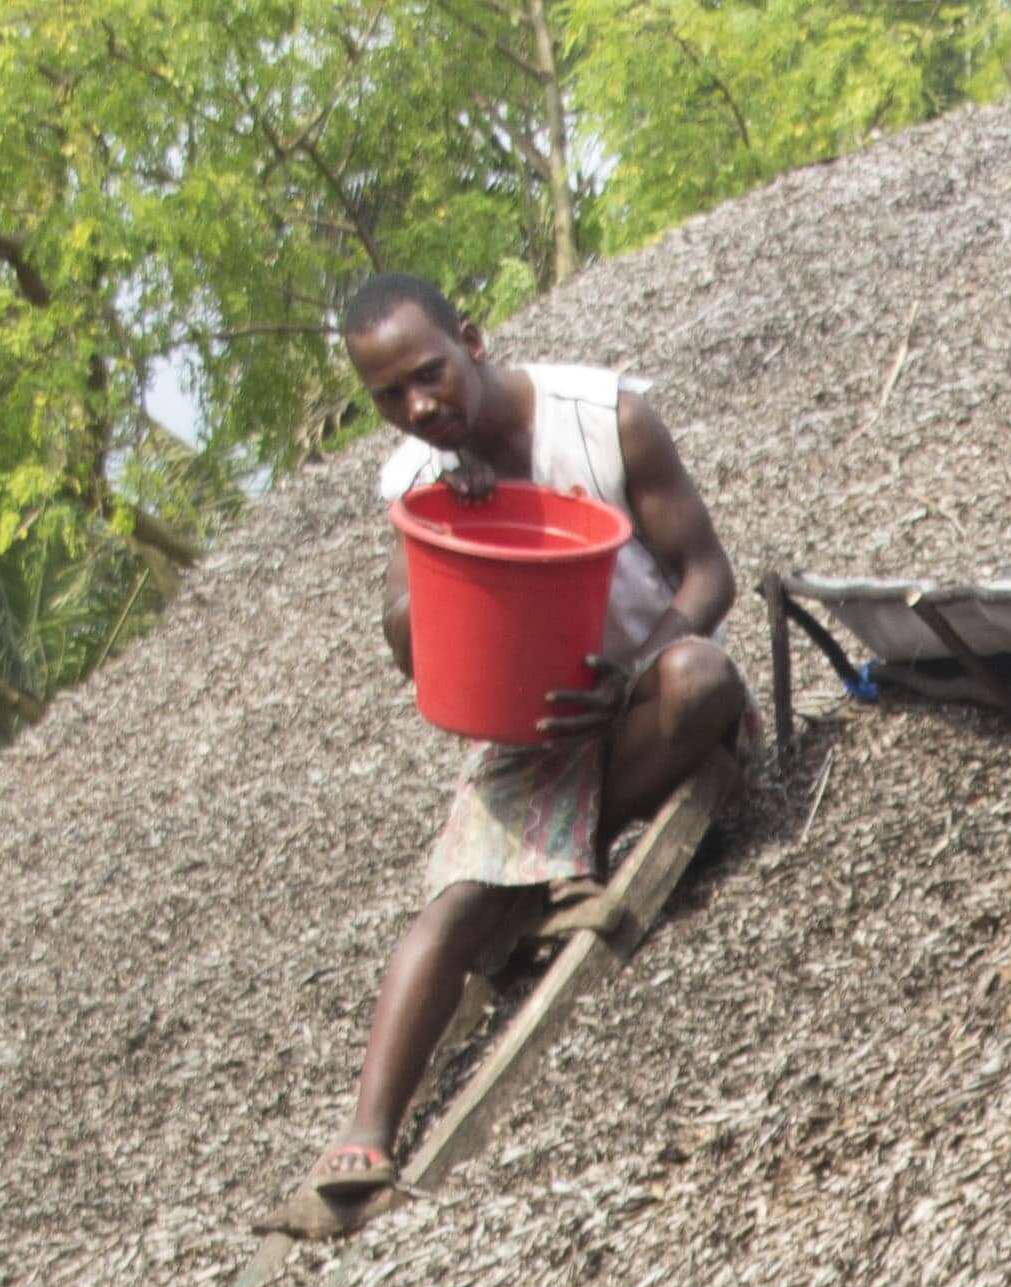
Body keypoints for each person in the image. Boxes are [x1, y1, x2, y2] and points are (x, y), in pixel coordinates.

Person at [313, 269, 749, 1221]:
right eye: (388, 396)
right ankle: (368, 1133)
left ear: (471, 338)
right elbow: (407, 645)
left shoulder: (607, 420)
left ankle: (565, 857)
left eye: (428, 375)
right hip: (531, 737)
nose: (417, 406)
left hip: (641, 697)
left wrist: (629, 672)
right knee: (455, 904)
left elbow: (708, 576)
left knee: (703, 683)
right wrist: (448, 528)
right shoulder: (416, 480)